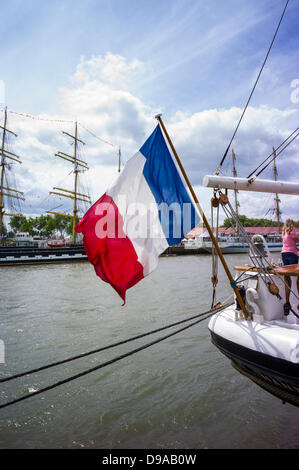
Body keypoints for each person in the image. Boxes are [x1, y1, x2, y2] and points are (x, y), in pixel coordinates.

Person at [280, 219, 299, 315]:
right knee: (296, 276)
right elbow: (297, 240)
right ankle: (296, 300)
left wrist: (296, 248)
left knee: (287, 277)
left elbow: (289, 244)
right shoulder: (292, 232)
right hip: (292, 255)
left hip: (284, 253)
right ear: (292, 224)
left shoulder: (284, 232)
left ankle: (287, 301)